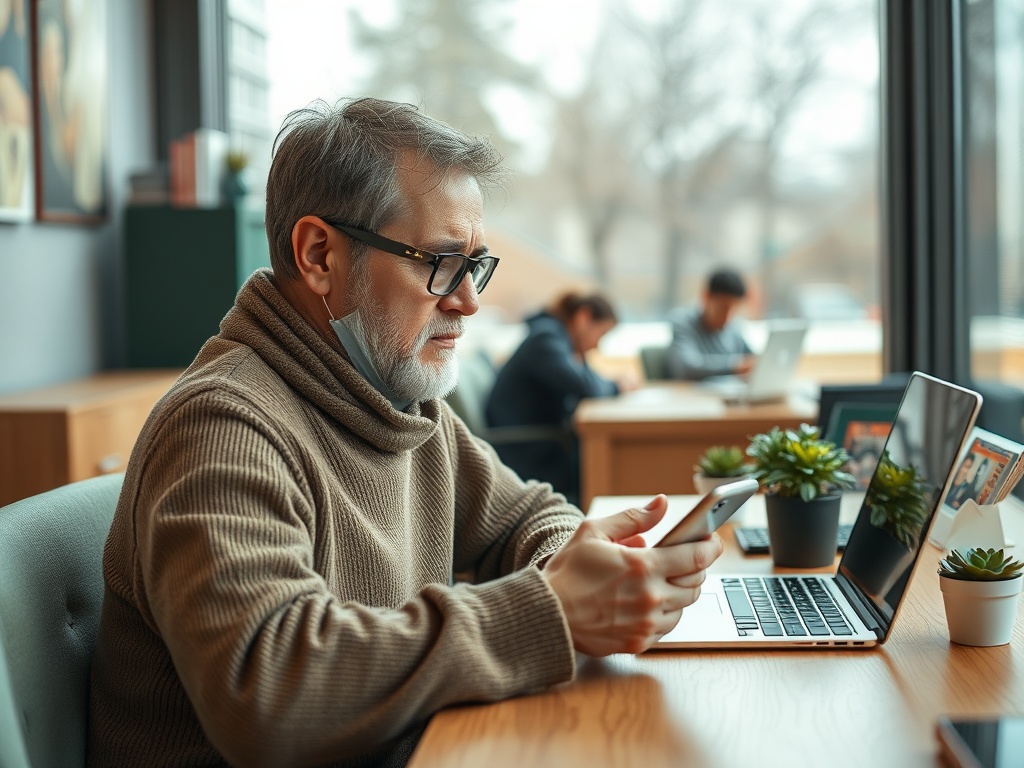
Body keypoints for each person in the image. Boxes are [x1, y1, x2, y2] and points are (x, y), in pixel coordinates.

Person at [87, 98, 722, 767]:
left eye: (475, 264)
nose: (468, 300)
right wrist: (550, 611)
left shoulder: (400, 400)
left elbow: (524, 518)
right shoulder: (222, 427)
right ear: (319, 255)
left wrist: (584, 567)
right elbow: (270, 690)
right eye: (441, 262)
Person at [485, 291, 636, 504]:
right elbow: (584, 385)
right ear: (583, 318)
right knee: (608, 459)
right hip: (527, 449)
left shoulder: (554, 338)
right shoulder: (546, 339)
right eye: (600, 334)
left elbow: (585, 379)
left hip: (541, 440)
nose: (597, 345)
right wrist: (617, 385)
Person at [666, 267, 754, 380]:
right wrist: (734, 365)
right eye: (723, 308)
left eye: (734, 310)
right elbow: (686, 367)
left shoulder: (733, 327)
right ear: (706, 297)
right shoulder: (682, 321)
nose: (728, 316)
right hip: (689, 394)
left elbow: (751, 357)